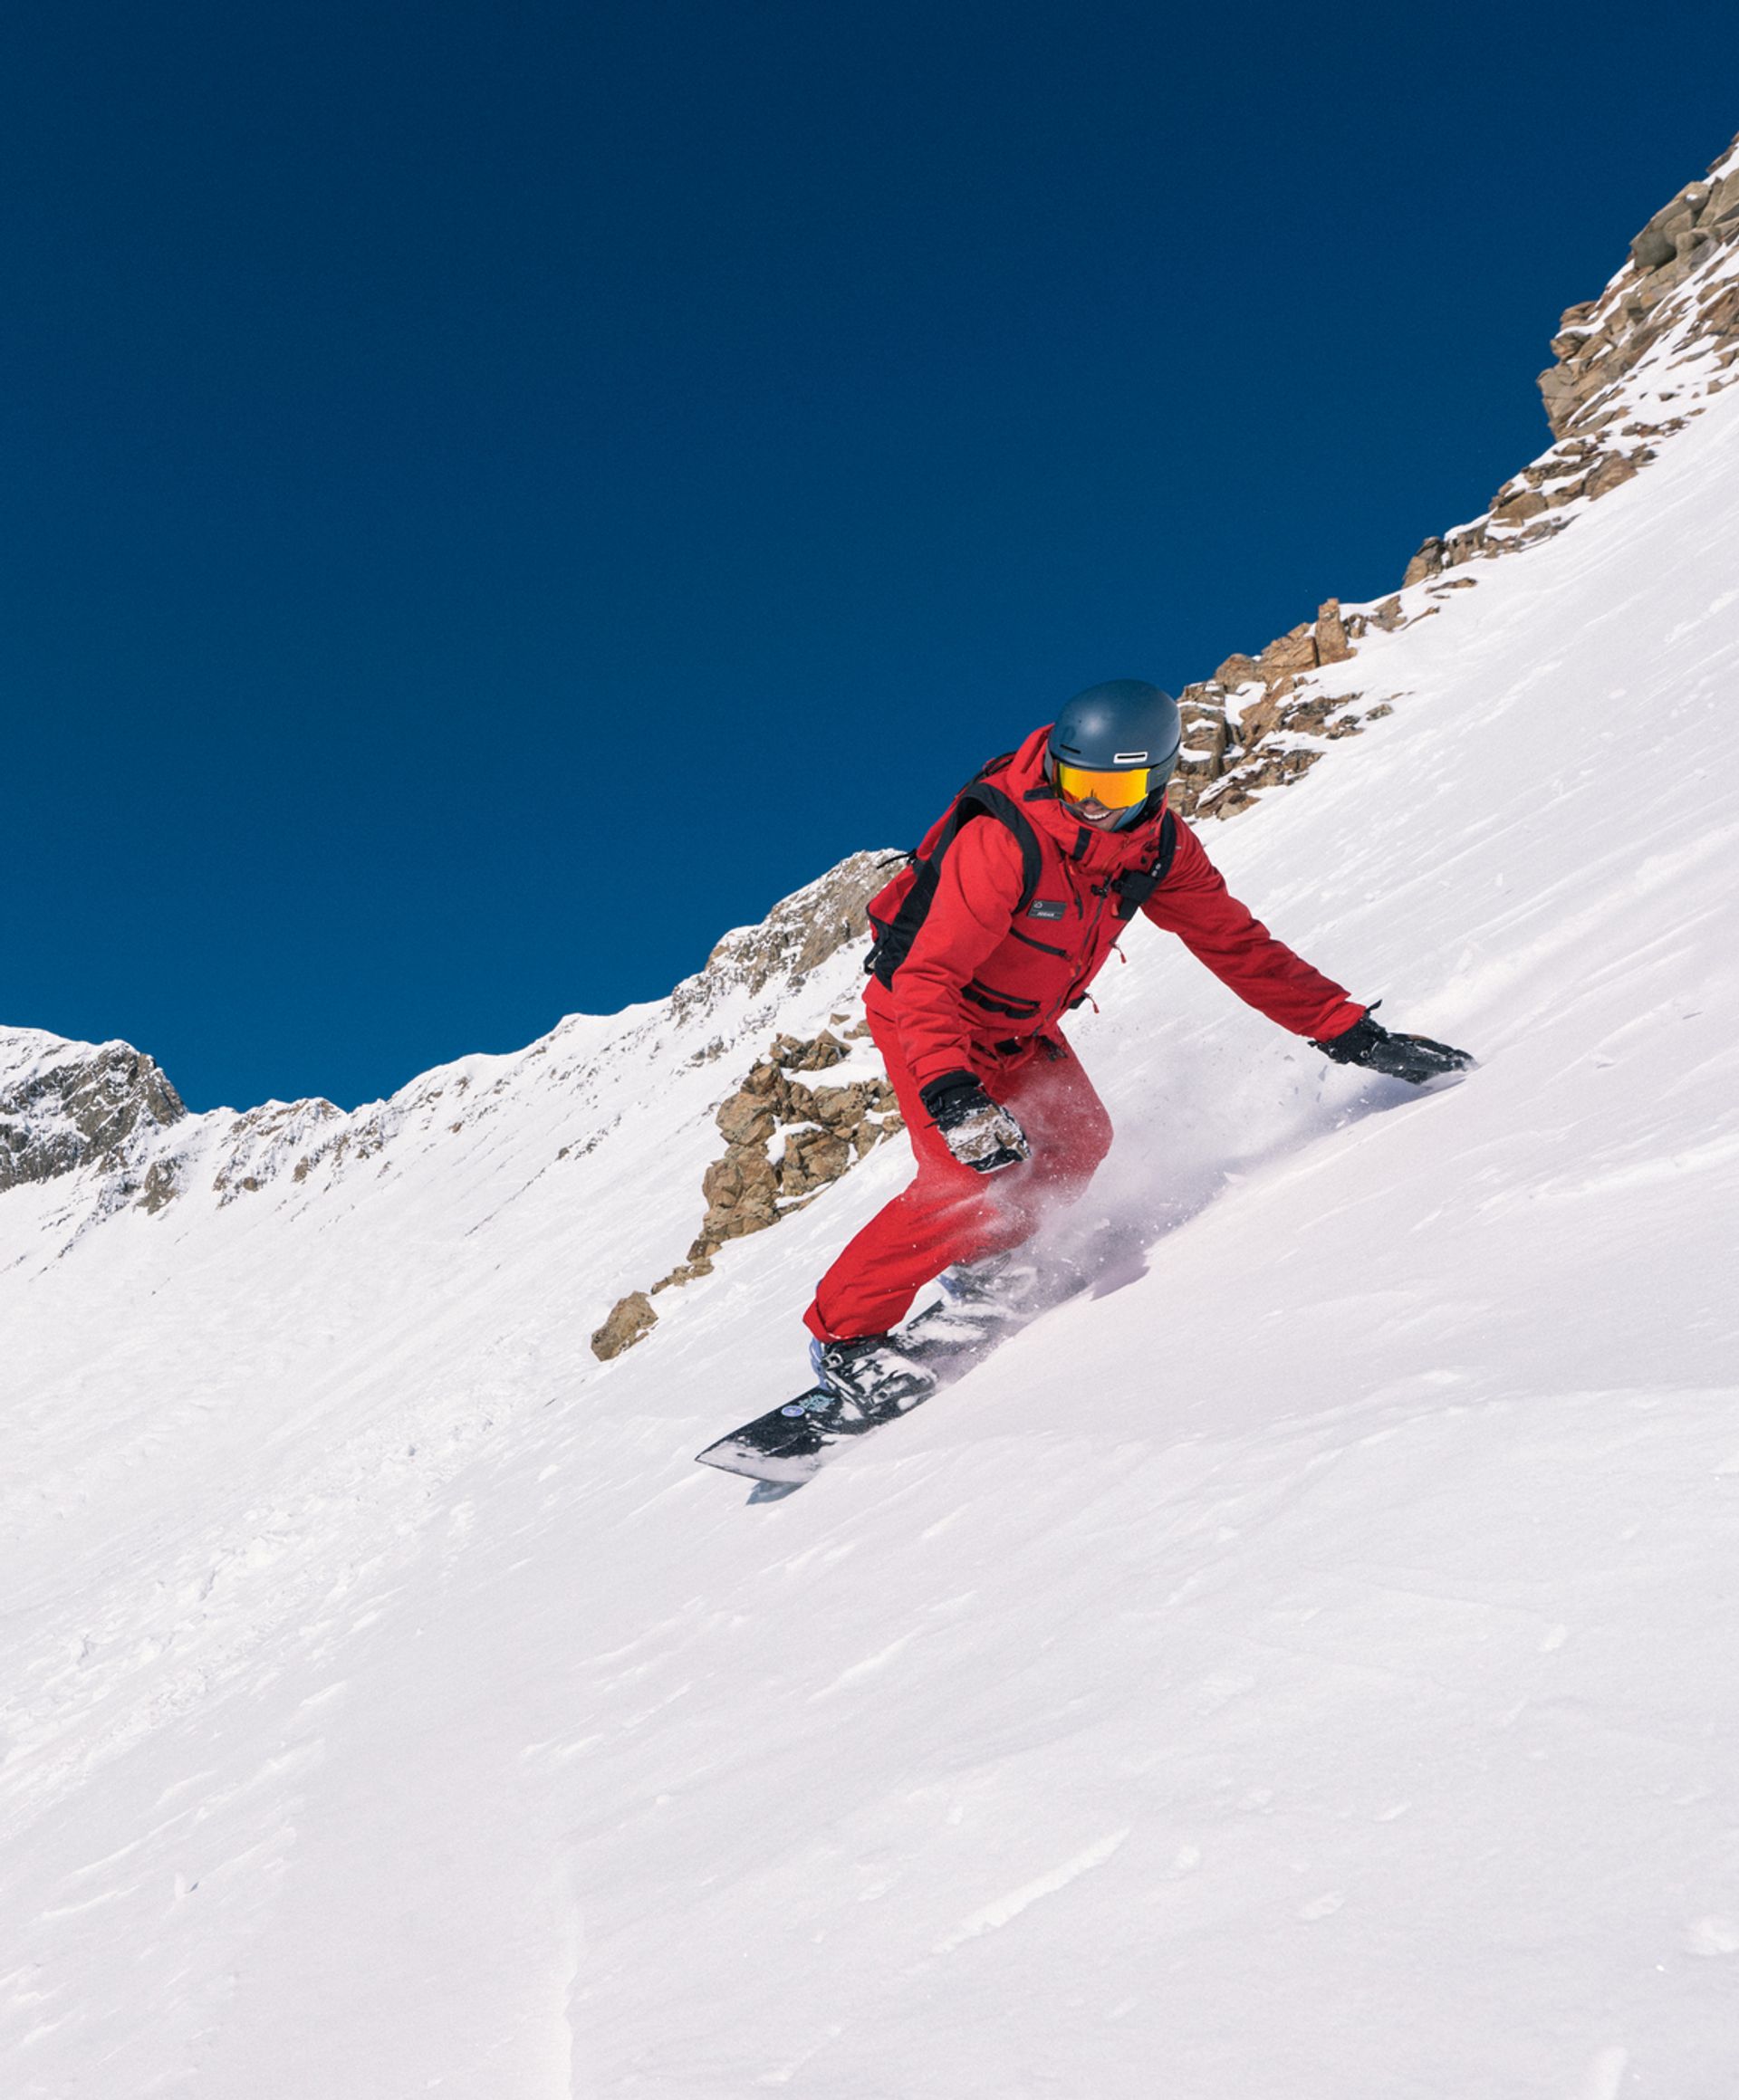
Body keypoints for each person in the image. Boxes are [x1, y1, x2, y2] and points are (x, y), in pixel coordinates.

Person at [802, 679, 1472, 1412]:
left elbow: (1237, 945)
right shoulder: (1006, 840)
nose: (1089, 802)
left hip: (1022, 1027)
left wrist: (1347, 1031)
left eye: (1111, 786)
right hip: (930, 1014)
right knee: (965, 1181)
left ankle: (992, 1267)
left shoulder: (1158, 850)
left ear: (1155, 781)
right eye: (1077, 779)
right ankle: (844, 1339)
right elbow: (928, 974)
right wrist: (953, 1094)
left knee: (1082, 1139)